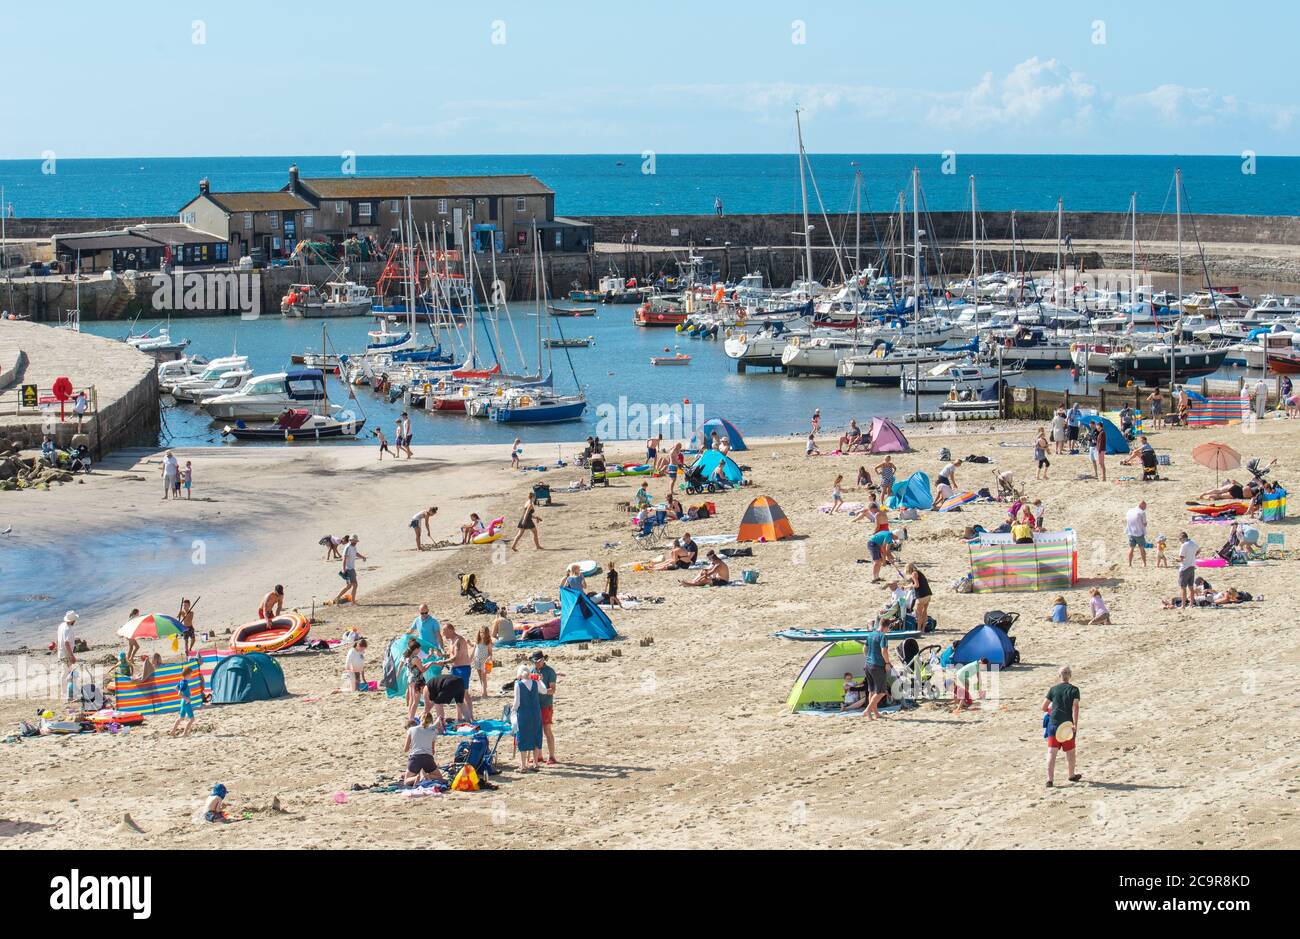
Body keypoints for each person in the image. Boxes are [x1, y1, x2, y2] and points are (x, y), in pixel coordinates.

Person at [1043, 666, 1082, 787]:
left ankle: (1050, 780)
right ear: (1070, 676)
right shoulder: (1074, 690)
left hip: (1053, 724)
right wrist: (1075, 724)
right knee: (1070, 752)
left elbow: (1043, 707)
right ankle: (1071, 775)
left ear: (1059, 676)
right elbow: (1075, 707)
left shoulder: (1053, 689)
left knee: (1051, 752)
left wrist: (1051, 711)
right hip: (1066, 725)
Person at [433, 622, 474, 720]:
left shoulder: (458, 640)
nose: (443, 634)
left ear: (451, 630)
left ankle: (471, 716)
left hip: (462, 668)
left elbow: (456, 657)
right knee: (457, 693)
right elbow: (451, 655)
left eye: (445, 632)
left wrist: (443, 662)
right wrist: (441, 655)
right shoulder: (452, 641)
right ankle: (459, 717)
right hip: (455, 669)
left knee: (464, 693)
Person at [511, 664, 544, 772]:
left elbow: (517, 701)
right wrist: (539, 680)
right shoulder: (535, 683)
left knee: (523, 736)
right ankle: (535, 763)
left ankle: (523, 765)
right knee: (536, 735)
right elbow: (543, 691)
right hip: (535, 712)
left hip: (524, 713)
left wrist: (513, 710)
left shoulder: (518, 684)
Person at [862, 618, 893, 720]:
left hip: (868, 665)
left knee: (872, 691)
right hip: (877, 666)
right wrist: (887, 663)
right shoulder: (882, 636)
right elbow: (884, 651)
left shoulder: (871, 634)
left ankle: (875, 714)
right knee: (881, 692)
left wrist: (868, 658)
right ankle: (868, 710)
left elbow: (864, 648)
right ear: (886, 627)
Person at [403, 712, 444, 786]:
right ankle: (427, 776)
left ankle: (416, 777)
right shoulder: (433, 732)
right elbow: (432, 751)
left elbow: (405, 749)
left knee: (406, 781)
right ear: (431, 721)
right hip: (428, 758)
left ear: (420, 719)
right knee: (439, 777)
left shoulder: (411, 729)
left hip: (415, 758)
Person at [532, 650, 558, 764]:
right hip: (535, 705)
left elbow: (552, 690)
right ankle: (539, 755)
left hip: (546, 705)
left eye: (538, 661)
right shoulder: (533, 671)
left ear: (543, 660)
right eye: (535, 662)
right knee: (536, 731)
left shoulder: (550, 671)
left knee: (547, 730)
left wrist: (542, 691)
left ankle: (552, 756)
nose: (536, 664)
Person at [332, 535, 366, 606]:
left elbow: (356, 553)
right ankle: (352, 602)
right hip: (348, 569)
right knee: (354, 585)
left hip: (352, 568)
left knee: (349, 586)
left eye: (356, 541)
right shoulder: (347, 547)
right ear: (351, 540)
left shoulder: (354, 547)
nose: (356, 542)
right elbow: (344, 558)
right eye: (355, 541)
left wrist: (362, 557)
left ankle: (338, 598)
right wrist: (344, 569)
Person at [169, 664, 198, 736]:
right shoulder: (184, 683)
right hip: (186, 702)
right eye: (191, 674)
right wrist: (186, 698)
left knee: (181, 718)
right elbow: (179, 694)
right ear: (187, 674)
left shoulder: (181, 681)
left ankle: (173, 731)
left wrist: (184, 696)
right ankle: (185, 733)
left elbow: (176, 688)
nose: (191, 676)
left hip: (183, 702)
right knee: (192, 719)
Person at [56, 611, 77, 701]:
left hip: (61, 652)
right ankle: (65, 693)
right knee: (66, 673)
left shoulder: (61, 626)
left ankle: (68, 691)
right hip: (66, 654)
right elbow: (67, 643)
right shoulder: (69, 629)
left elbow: (58, 639)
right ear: (73, 621)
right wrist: (72, 656)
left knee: (66, 672)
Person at [1177, 532, 1198, 615]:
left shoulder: (1184, 545)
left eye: (1180, 539)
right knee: (1191, 587)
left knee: (1183, 587)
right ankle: (1191, 604)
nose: (1180, 541)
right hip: (1192, 566)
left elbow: (1181, 558)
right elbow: (1198, 550)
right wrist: (1193, 556)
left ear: (1183, 538)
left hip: (1185, 567)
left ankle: (1183, 605)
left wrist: (1177, 560)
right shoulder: (1193, 543)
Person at [906, 562, 931, 631]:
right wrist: (906, 586)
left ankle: (919, 629)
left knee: (918, 613)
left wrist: (909, 586)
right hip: (928, 594)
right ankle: (923, 629)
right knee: (924, 612)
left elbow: (916, 585)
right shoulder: (918, 573)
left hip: (921, 595)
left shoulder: (913, 574)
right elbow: (915, 583)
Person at [472, 626, 493, 698]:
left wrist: (489, 659)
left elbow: (490, 653)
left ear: (487, 633)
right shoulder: (477, 641)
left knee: (483, 677)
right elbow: (474, 648)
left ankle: (484, 693)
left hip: (485, 661)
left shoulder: (488, 642)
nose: (482, 634)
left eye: (484, 632)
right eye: (481, 632)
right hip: (477, 660)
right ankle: (483, 690)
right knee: (480, 677)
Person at [1125, 500, 1148, 567]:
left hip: (1130, 532)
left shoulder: (1130, 510)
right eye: (1145, 506)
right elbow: (1144, 524)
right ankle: (1144, 563)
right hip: (1139, 533)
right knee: (1142, 549)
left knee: (1131, 548)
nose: (1145, 508)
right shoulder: (1142, 512)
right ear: (1142, 505)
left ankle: (1129, 564)